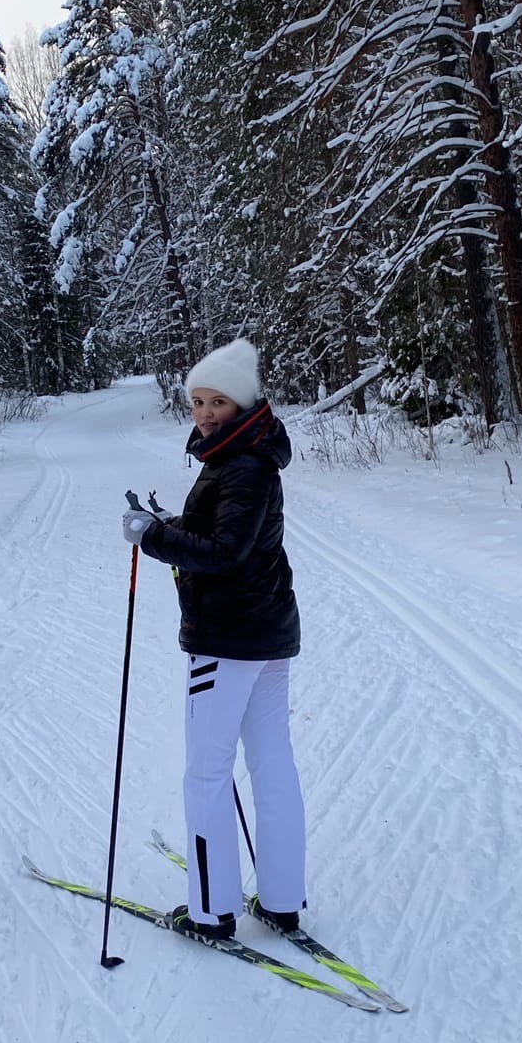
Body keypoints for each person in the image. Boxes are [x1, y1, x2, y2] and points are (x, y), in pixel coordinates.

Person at [121, 338, 306, 943]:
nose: (204, 413)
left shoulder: (243, 463)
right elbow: (230, 534)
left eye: (217, 401)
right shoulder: (242, 457)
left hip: (229, 640)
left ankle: (210, 912)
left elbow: (225, 555)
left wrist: (153, 539)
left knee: (207, 772)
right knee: (271, 764)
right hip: (263, 635)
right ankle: (280, 901)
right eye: (197, 400)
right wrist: (170, 523)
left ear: (243, 403)